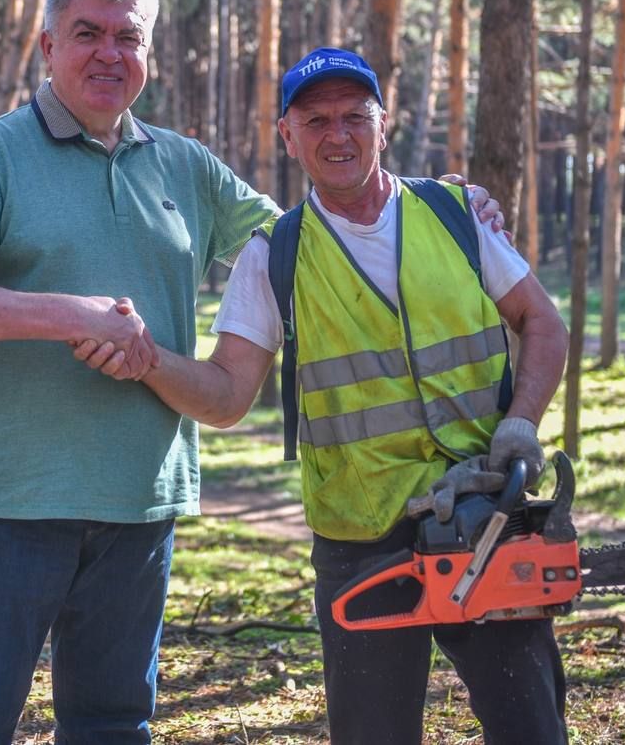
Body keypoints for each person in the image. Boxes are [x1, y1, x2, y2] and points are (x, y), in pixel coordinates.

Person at [0, 0, 505, 743]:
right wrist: (76, 315)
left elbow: (313, 233)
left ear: (149, 54)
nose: (109, 53)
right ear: (47, 45)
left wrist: (442, 207)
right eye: (88, 33)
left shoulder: (184, 166)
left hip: (142, 499)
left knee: (116, 725)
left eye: (129, 36)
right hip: (8, 500)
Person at [74, 46, 570, 744]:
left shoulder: (457, 215)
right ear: (287, 134)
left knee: (532, 729)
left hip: (486, 511)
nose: (338, 135)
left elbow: (543, 322)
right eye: (316, 120)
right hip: (360, 537)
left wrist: (521, 426)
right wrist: (146, 358)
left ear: (384, 123)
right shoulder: (274, 254)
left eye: (354, 116)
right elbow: (225, 396)